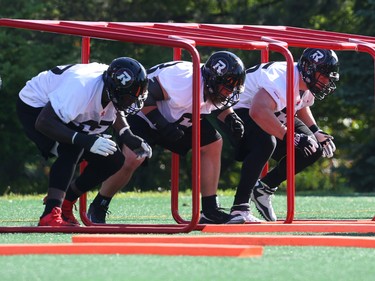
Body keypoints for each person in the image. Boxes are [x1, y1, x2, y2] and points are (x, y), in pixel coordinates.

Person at [87, 50, 247, 224]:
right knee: (132, 158)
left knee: (213, 144)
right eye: (226, 87)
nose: (229, 93)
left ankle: (210, 209)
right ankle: (99, 205)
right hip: (143, 114)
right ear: (212, 81)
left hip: (176, 117)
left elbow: (214, 101)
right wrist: (161, 124)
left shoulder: (210, 85)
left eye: (232, 88)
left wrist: (230, 117)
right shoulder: (183, 79)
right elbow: (145, 97)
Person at [17, 57, 152, 226]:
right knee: (74, 147)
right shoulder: (81, 87)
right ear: (113, 90)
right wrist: (85, 140)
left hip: (64, 110)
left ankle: (66, 203)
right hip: (35, 108)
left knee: (113, 159)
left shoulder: (111, 87)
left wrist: (127, 134)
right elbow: (44, 122)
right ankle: (50, 214)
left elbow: (116, 106)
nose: (131, 102)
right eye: (127, 98)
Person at [228, 48, 339, 222]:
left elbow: (299, 104)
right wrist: (291, 136)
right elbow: (257, 110)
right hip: (238, 110)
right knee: (265, 143)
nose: (326, 81)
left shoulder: (304, 80)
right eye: (323, 75)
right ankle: (239, 208)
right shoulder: (282, 78)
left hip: (270, 110)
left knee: (312, 148)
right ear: (308, 69)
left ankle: (264, 188)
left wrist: (316, 131)